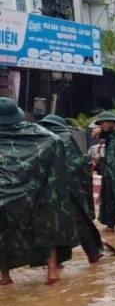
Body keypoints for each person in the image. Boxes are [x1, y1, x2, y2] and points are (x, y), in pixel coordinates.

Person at [0, 98, 80, 285]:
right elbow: (56, 147)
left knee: (2, 232)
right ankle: (52, 273)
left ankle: (5, 276)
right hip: (35, 195)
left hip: (3, 199)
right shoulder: (41, 135)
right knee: (47, 227)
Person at [39, 114, 104, 264]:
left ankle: (56, 262)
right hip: (70, 189)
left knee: (51, 224)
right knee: (81, 221)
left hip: (48, 191)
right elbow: (77, 166)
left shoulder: (41, 139)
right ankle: (93, 252)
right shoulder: (66, 138)